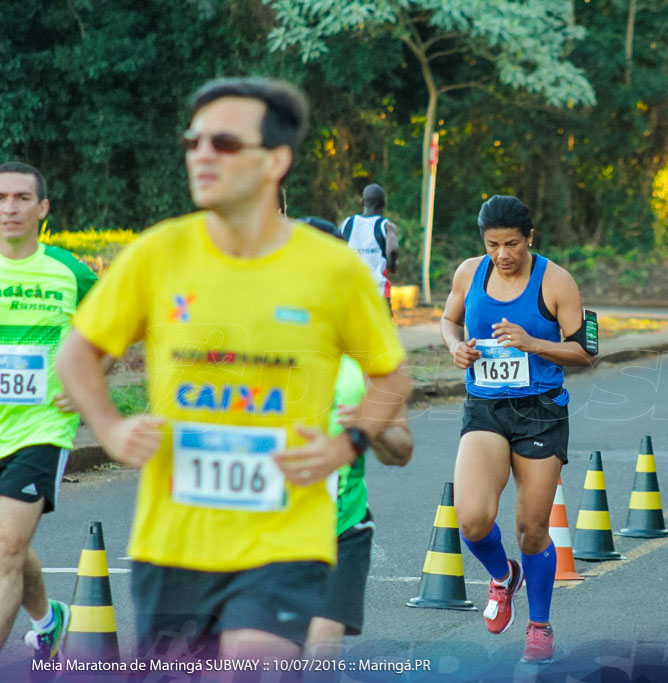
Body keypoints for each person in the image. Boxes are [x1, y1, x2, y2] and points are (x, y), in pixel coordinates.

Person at [55, 77, 410, 663]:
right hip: (172, 542)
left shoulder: (331, 270)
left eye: (222, 142)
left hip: (287, 538)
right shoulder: (157, 253)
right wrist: (112, 428)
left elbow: (390, 376)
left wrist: (350, 442)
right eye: (193, 141)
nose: (200, 154)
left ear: (276, 160)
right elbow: (77, 353)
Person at [440, 195, 594, 664]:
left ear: (530, 237)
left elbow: (586, 351)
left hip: (540, 412)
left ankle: (539, 626)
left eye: (512, 244)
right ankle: (504, 576)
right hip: (485, 407)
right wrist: (454, 348)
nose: (502, 255)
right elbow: (448, 320)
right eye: (492, 245)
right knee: (471, 519)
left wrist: (533, 343)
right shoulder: (469, 273)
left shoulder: (556, 281)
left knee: (531, 529)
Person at [0, 163, 99, 661]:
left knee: (5, 550)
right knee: (7, 549)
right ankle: (47, 620)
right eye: (0, 198)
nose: (8, 208)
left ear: (43, 209)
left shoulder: (70, 272)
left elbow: (113, 328)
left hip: (42, 425)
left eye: (21, 198)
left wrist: (87, 383)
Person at [306, 355, 413, 657]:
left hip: (342, 526)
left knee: (320, 650)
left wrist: (368, 426)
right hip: (267, 530)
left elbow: (401, 451)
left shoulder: (369, 355)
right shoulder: (263, 340)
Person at [340, 184, 399, 308]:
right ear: (383, 204)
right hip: (377, 293)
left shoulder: (346, 224)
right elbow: (393, 249)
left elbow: (335, 249)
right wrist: (392, 264)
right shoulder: (386, 225)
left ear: (362, 201)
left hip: (350, 292)